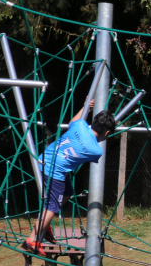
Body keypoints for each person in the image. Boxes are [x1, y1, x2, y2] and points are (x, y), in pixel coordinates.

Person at [22, 100, 116, 256]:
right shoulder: (96, 151)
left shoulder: (80, 126)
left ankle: (44, 227)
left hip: (43, 161)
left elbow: (73, 121)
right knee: (51, 207)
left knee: (67, 192)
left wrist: (85, 105)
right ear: (106, 133)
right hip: (55, 173)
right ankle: (31, 240)